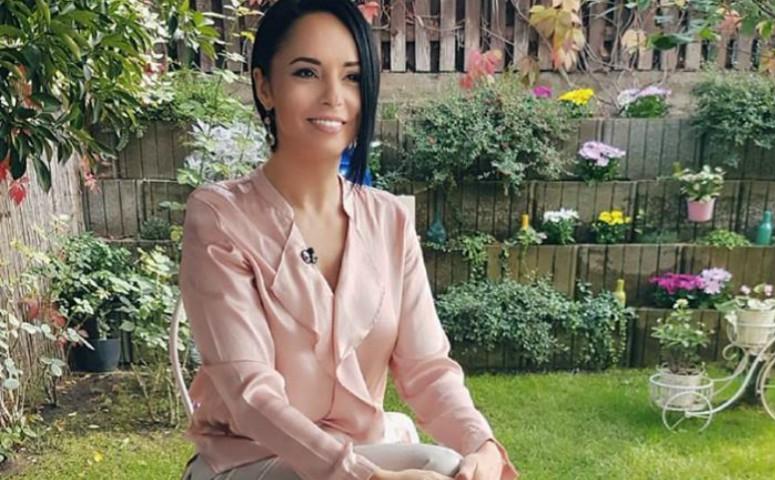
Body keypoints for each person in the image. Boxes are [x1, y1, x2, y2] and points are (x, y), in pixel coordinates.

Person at [178, 1, 519, 479]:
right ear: (265, 86)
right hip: (250, 461)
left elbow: (426, 368)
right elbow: (250, 395)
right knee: (439, 466)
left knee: (457, 466)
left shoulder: (388, 220)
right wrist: (365, 476)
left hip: (364, 454)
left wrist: (481, 446)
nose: (333, 96)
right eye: (306, 72)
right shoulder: (221, 217)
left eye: (353, 77)